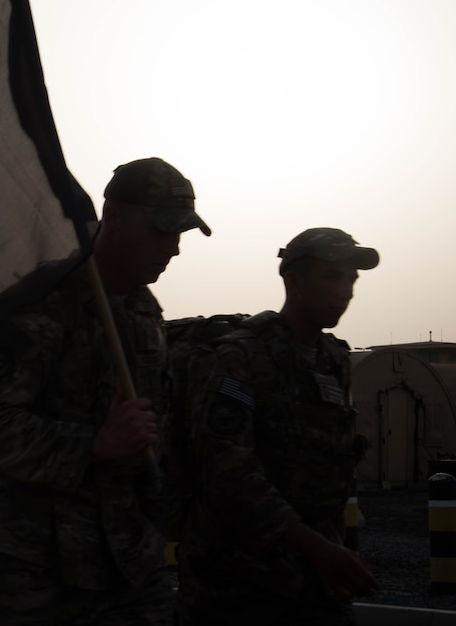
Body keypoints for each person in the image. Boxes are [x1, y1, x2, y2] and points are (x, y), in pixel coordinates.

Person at [0, 157, 211, 625]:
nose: (172, 248)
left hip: (125, 560)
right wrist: (93, 444)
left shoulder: (142, 311)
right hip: (29, 563)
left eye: (180, 234)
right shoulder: (43, 302)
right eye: (159, 230)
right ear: (112, 218)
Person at [176, 228, 380, 625]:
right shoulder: (241, 357)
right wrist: (317, 548)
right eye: (333, 276)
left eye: (352, 279)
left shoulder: (334, 360)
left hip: (315, 580)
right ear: (294, 280)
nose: (347, 291)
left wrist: (325, 552)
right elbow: (227, 470)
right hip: (237, 583)